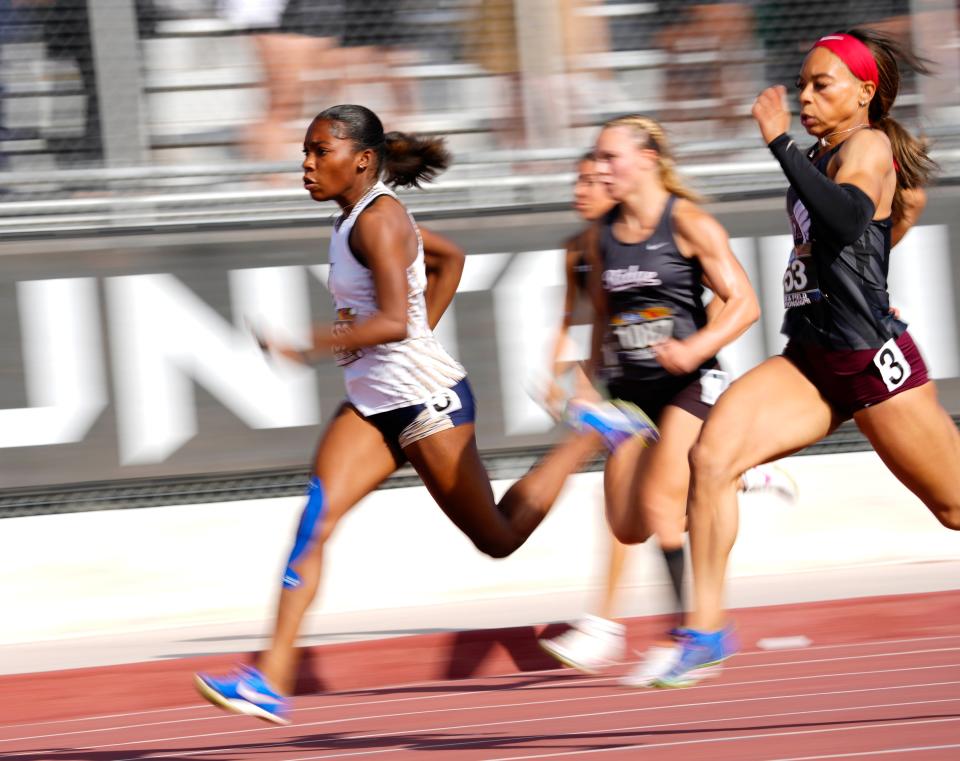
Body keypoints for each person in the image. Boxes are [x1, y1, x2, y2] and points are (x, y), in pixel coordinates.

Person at [193, 104, 654, 724]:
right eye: (304, 152)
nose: (305, 164)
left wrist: (313, 340)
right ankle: (268, 680)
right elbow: (450, 259)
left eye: (318, 152)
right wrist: (398, 337)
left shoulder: (379, 221)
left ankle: (588, 435)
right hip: (371, 402)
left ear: (360, 159)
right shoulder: (356, 215)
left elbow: (390, 319)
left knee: (496, 538)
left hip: (424, 402)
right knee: (314, 522)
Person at [656, 27, 959, 688]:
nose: (805, 97)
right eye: (802, 85)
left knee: (955, 508)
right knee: (711, 458)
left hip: (871, 366)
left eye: (822, 85)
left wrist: (776, 142)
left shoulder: (868, 144)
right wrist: (872, 275)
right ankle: (706, 629)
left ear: (864, 92)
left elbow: (851, 217)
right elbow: (899, 209)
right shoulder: (823, 154)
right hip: (812, 359)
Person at [538, 115, 793, 687]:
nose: (599, 169)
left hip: (690, 385)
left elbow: (744, 303)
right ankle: (727, 472)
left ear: (648, 158)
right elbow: (598, 322)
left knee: (659, 504)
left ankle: (702, 628)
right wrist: (584, 387)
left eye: (609, 158)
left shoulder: (689, 222)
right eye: (596, 160)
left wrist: (695, 345)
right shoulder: (596, 239)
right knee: (629, 526)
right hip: (630, 399)